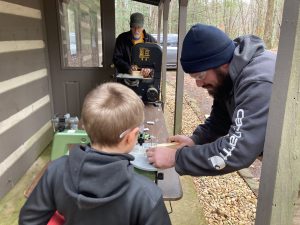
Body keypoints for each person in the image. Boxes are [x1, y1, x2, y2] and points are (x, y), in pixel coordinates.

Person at [19, 82, 171, 225]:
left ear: (84, 128)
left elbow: (28, 221)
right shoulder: (147, 195)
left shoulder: (56, 171)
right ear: (131, 136)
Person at [146, 23, 276, 176]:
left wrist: (177, 157)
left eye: (200, 76)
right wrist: (195, 140)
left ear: (222, 64)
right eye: (194, 78)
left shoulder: (257, 82)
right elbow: (219, 121)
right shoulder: (229, 77)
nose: (199, 84)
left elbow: (238, 151)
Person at [113, 12, 156, 77]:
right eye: (133, 27)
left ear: (142, 27)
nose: (136, 30)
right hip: (126, 77)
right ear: (130, 26)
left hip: (144, 77)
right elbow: (116, 58)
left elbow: (155, 60)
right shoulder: (121, 39)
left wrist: (149, 69)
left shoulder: (151, 41)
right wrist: (128, 68)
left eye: (138, 27)